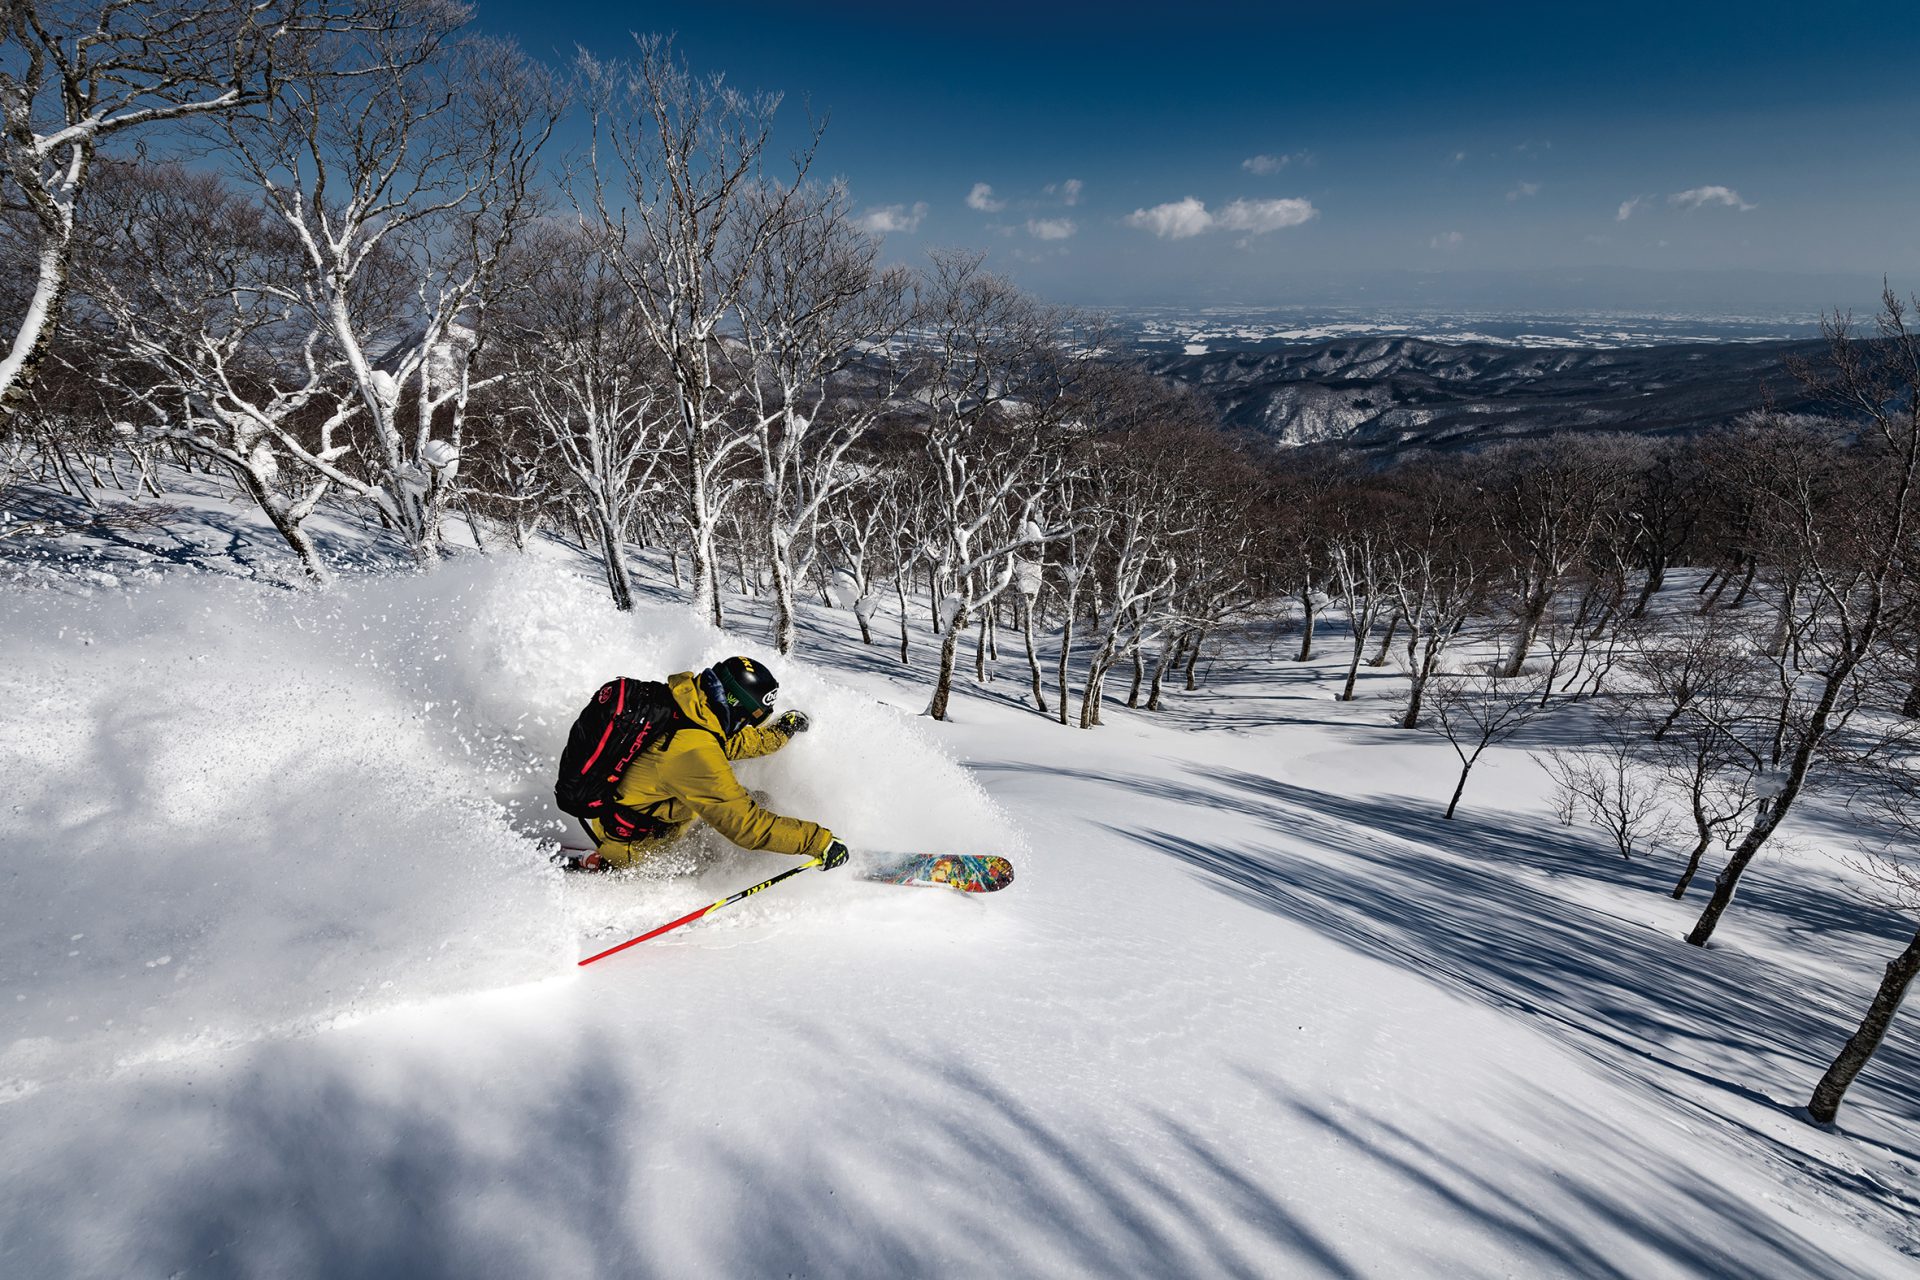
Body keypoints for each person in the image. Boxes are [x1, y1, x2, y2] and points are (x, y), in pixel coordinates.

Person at [561, 655, 850, 874]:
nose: (746, 726)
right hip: (640, 846)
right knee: (746, 815)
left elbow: (734, 742)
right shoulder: (693, 752)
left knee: (754, 799)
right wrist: (818, 841)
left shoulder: (688, 708)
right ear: (735, 708)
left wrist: (781, 732)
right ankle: (610, 863)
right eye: (748, 719)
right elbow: (746, 826)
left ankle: (782, 843)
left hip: (633, 814)